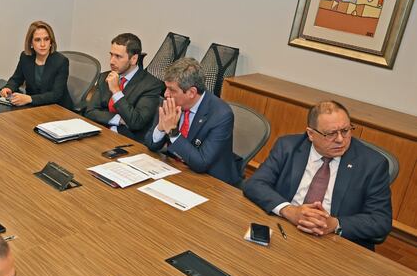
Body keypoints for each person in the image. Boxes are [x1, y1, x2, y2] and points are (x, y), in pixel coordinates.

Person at [243, 100, 392, 250]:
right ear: (311, 134)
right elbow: (255, 184)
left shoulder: (373, 164)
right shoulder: (288, 147)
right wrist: (290, 211)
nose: (340, 139)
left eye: (345, 130)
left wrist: (335, 224)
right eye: (331, 133)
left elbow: (381, 220)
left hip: (334, 243)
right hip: (285, 230)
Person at [144, 57, 240, 186]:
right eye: (166, 88)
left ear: (191, 92)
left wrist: (173, 132)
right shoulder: (170, 101)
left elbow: (201, 163)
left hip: (211, 182)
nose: (166, 94)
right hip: (176, 171)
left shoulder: (221, 115)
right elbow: (151, 144)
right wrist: (161, 128)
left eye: (172, 90)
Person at [83, 33, 164, 141]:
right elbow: (90, 112)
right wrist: (119, 119)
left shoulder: (151, 85)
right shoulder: (105, 77)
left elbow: (136, 122)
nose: (111, 61)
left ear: (134, 59)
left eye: (118, 56)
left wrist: (116, 91)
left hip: (127, 141)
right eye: (111, 54)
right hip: (101, 134)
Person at [0, 21, 74, 109]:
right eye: (38, 40)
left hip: (59, 109)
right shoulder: (26, 57)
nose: (43, 44)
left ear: (51, 42)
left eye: (46, 39)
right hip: (34, 107)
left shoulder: (61, 61)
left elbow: (56, 94)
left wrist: (29, 98)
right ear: (31, 43)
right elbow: (16, 79)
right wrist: (8, 88)